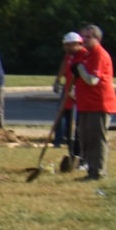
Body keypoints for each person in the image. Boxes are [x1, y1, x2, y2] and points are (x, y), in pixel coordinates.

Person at [68, 23, 116, 182]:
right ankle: (91, 170)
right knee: (86, 139)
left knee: (97, 139)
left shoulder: (99, 54)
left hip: (99, 103)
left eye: (88, 37)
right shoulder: (87, 54)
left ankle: (98, 173)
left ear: (97, 38)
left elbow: (92, 80)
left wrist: (80, 68)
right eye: (83, 37)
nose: (84, 40)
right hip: (85, 104)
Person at [50, 31, 83, 169]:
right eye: (65, 45)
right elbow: (64, 65)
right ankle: (70, 151)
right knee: (67, 122)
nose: (66, 48)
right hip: (68, 91)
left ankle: (80, 157)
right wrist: (58, 80)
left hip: (79, 94)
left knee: (79, 128)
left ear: (77, 44)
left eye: (69, 45)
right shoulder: (69, 55)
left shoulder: (83, 55)